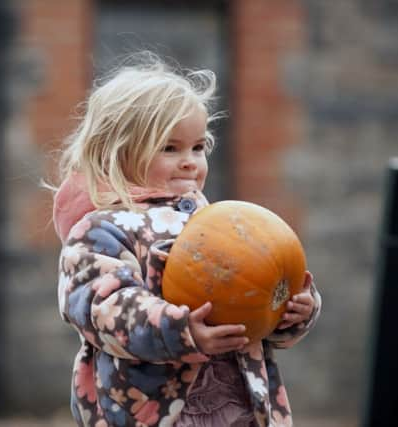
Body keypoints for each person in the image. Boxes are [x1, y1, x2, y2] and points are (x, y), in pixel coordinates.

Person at [51, 54, 321, 427]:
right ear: (118, 151)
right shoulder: (101, 230)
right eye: (170, 148)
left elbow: (251, 301)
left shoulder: (215, 221)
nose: (190, 161)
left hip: (239, 406)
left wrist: (292, 312)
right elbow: (103, 308)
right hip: (153, 411)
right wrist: (179, 330)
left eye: (198, 147)